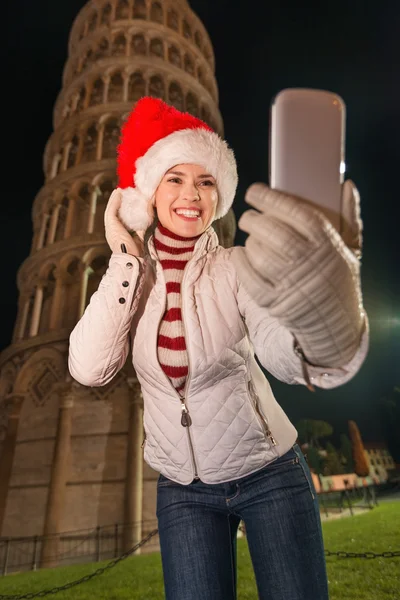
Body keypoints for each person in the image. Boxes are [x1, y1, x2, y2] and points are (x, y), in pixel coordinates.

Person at [68, 97, 369, 600]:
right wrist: (126, 254)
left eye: (206, 181)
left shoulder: (236, 266)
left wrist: (324, 328)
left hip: (269, 472)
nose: (192, 194)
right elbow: (90, 368)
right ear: (148, 193)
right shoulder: (130, 281)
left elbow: (278, 350)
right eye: (175, 179)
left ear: (219, 195)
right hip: (182, 491)